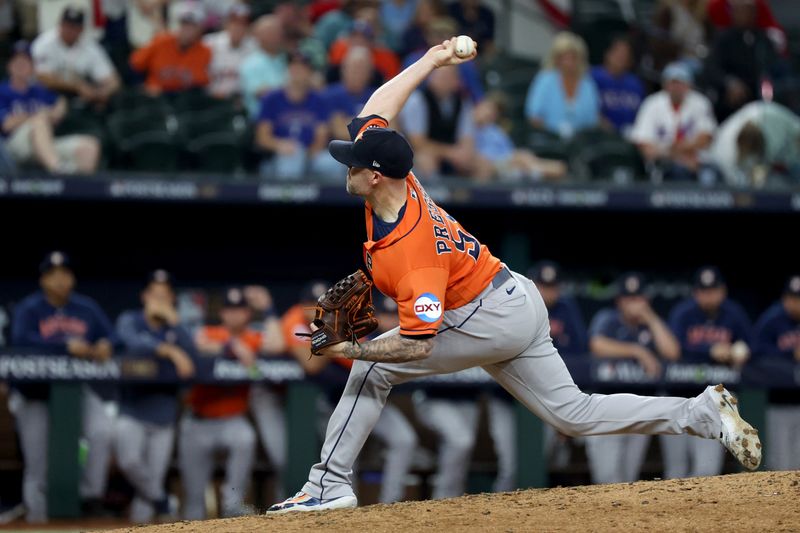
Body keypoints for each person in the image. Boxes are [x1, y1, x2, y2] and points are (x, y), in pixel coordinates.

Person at [266, 36, 761, 513]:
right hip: (512, 296)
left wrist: (349, 348)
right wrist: (433, 60)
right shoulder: (399, 176)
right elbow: (377, 104)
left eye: (352, 163)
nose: (344, 167)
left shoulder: (413, 253)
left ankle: (326, 486)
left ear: (374, 176)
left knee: (372, 368)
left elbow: (418, 344)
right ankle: (698, 413)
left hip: (486, 315)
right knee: (574, 414)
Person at [283, 284, 418, 503]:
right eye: (314, 305)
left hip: (374, 402)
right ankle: (344, 509)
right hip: (336, 405)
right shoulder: (304, 323)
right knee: (344, 457)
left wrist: (335, 336)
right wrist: (331, 337)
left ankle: (391, 504)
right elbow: (313, 365)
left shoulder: (356, 323)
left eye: (324, 304)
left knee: (404, 439)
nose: (319, 310)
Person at [10, 251, 115, 523]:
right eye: (53, 275)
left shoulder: (86, 308)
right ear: (43, 280)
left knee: (102, 431)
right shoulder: (29, 308)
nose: (59, 280)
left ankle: (88, 494)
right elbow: (19, 340)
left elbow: (111, 335)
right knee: (38, 460)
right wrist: (64, 346)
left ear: (72, 278)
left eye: (65, 274)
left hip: (75, 389)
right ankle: (37, 516)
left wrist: (106, 344)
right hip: (34, 393)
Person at [114, 270, 196, 523]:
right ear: (144, 296)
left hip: (164, 413)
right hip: (132, 408)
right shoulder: (130, 319)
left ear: (172, 298)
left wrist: (176, 325)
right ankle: (163, 500)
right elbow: (127, 342)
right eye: (154, 294)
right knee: (129, 462)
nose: (159, 299)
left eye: (165, 295)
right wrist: (168, 350)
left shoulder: (176, 326)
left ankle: (148, 515)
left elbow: (194, 359)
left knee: (149, 483)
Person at [584, 272, 680, 484]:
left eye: (638, 298)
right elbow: (597, 345)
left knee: (628, 479)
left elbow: (672, 352)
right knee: (607, 478)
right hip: (606, 407)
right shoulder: (607, 318)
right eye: (629, 299)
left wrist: (652, 318)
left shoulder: (651, 325)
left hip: (640, 408)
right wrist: (638, 351)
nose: (634, 304)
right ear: (619, 301)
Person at [663, 266, 751, 479]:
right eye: (703, 291)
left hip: (715, 400)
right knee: (676, 469)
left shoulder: (734, 313)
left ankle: (701, 512)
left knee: (706, 471)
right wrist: (710, 350)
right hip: (680, 396)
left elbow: (752, 345)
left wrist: (739, 352)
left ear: (723, 291)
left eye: (713, 290)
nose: (708, 296)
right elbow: (673, 349)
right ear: (695, 292)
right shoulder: (683, 313)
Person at [180, 287, 258, 519]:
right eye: (229, 310)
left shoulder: (254, 337)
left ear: (247, 314)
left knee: (246, 437)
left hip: (232, 420)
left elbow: (253, 365)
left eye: (240, 310)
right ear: (222, 313)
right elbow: (198, 347)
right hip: (198, 420)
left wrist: (226, 349)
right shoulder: (208, 331)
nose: (234, 315)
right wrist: (230, 348)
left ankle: (232, 502)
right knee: (193, 501)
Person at [0, 40, 101, 174]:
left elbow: (60, 102)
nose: (21, 66)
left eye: (25, 63)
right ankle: (58, 171)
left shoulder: (38, 90)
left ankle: (81, 191)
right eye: (17, 62)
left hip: (43, 145)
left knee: (89, 147)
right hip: (13, 147)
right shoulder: (3, 91)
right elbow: (7, 124)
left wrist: (56, 111)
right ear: (9, 66)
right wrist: (37, 116)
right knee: (40, 121)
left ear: (32, 67)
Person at [255, 50, 341, 181]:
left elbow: (321, 136)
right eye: (294, 67)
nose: (298, 72)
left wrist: (305, 154)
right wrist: (280, 145)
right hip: (278, 156)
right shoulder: (272, 98)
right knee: (292, 158)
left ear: (310, 73)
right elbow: (262, 138)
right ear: (287, 70)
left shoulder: (318, 99)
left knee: (334, 165)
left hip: (311, 156)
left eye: (302, 68)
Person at [630, 62, 718, 183]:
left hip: (698, 163)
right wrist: (678, 156)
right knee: (678, 172)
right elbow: (644, 146)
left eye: (681, 82)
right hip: (663, 164)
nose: (676, 87)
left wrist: (680, 150)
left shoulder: (700, 102)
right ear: (665, 85)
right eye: (672, 83)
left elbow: (705, 138)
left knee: (712, 176)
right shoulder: (651, 104)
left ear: (689, 85)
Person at [398, 63, 487, 179]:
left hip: (453, 153)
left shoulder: (463, 103)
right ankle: (431, 197)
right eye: (441, 76)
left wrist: (464, 153)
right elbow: (418, 143)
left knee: (483, 165)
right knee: (426, 161)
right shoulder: (417, 100)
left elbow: (467, 139)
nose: (445, 80)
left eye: (450, 76)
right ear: (431, 78)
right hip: (418, 153)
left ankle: (472, 196)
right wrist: (450, 153)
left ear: (457, 81)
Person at [31, 6, 120, 109]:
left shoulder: (90, 46)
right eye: (67, 26)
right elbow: (44, 78)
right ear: (60, 25)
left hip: (81, 98)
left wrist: (101, 93)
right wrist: (78, 86)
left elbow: (113, 81)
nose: (70, 30)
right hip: (47, 96)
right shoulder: (45, 42)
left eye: (75, 27)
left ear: (81, 29)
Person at [753, 275, 800, 471]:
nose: (797, 303)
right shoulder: (772, 319)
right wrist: (790, 353)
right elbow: (755, 353)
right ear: (785, 298)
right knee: (782, 466)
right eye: (793, 297)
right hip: (779, 403)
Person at [706, 0, 783, 121]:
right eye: (739, 11)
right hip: (733, 92)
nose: (744, 15)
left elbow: (773, 65)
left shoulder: (763, 38)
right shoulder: (723, 38)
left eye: (748, 11)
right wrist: (729, 83)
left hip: (760, 91)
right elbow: (712, 68)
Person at [473, 92, 566, 182]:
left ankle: (533, 172)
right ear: (480, 104)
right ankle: (534, 173)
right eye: (488, 108)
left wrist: (514, 160)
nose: (489, 114)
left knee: (558, 167)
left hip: (508, 165)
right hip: (488, 165)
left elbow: (510, 152)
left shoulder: (495, 132)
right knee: (521, 159)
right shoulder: (465, 127)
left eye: (494, 113)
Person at [525, 32, 600, 139]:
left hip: (581, 142)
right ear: (556, 59)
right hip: (550, 140)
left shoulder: (588, 84)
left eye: (573, 57)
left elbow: (592, 121)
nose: (568, 63)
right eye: (564, 58)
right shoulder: (545, 80)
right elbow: (534, 117)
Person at [710, 100, 800, 187]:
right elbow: (740, 188)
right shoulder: (727, 154)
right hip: (721, 168)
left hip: (761, 115)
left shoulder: (771, 119)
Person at [129, 2, 212, 95]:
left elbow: (201, 83)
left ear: (200, 29)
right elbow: (135, 64)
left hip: (185, 98)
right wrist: (143, 86)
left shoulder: (205, 51)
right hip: (158, 96)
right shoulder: (161, 41)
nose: (187, 29)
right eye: (184, 24)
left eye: (192, 25)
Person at [590, 37, 645, 137]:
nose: (621, 57)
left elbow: (641, 115)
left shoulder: (635, 84)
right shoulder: (592, 77)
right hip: (597, 135)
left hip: (628, 137)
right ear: (607, 54)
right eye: (617, 52)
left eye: (625, 54)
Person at [203, 3, 256, 100]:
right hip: (210, 99)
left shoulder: (254, 47)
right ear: (226, 24)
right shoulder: (209, 43)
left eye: (243, 24)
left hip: (239, 100)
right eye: (234, 22)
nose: (238, 27)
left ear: (249, 27)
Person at [239, 14, 288, 118]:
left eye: (278, 31)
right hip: (264, 120)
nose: (275, 35)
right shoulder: (250, 64)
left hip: (293, 115)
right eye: (270, 32)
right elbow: (262, 94)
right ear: (257, 36)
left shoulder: (289, 58)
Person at [325, 46, 377, 140]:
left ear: (370, 72)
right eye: (354, 67)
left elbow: (391, 128)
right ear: (343, 69)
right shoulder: (330, 95)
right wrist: (372, 125)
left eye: (362, 68)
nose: (357, 72)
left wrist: (349, 122)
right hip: (339, 150)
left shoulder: (377, 96)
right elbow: (340, 132)